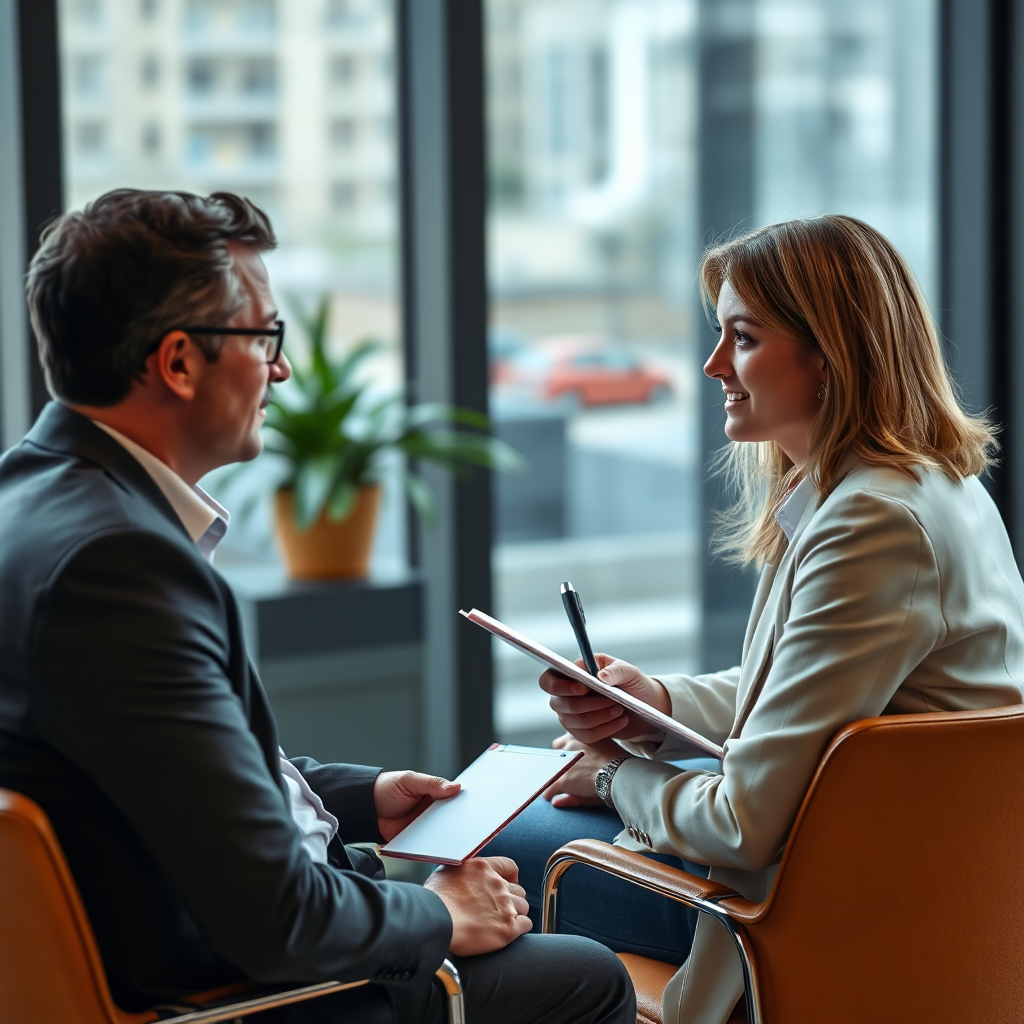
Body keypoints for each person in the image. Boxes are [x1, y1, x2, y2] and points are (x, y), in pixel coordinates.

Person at [0, 189, 635, 1024]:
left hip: (199, 936)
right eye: (265, 337)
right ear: (179, 362)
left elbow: (162, 775)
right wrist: (439, 916)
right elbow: (276, 920)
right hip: (239, 994)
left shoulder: (32, 498)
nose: (283, 370)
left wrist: (360, 798)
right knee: (585, 977)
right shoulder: (119, 567)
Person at [484, 214, 1024, 1024]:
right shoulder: (921, 489)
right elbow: (809, 694)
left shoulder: (873, 524)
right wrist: (655, 704)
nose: (712, 365)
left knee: (487, 850)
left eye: (741, 338)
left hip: (807, 915)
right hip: (902, 882)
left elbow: (743, 826)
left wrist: (612, 777)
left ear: (828, 355)